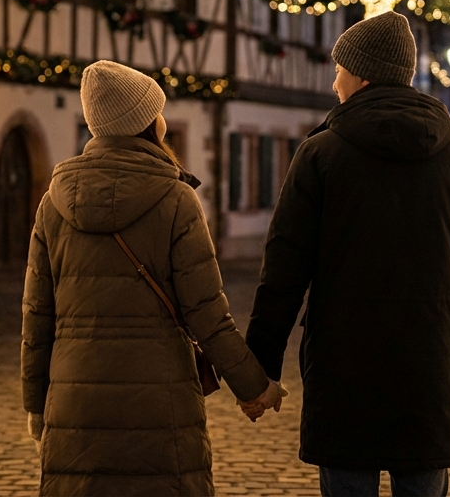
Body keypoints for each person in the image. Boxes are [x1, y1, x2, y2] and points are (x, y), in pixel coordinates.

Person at [243, 11, 450, 497]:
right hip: (433, 367)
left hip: (344, 370)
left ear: (363, 76)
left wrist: (259, 371)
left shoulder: (320, 154)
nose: (334, 82)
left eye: (339, 70)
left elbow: (283, 270)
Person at [21, 60, 285, 496]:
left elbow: (37, 319)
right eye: (157, 110)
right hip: (161, 404)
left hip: (74, 403)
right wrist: (254, 387)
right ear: (147, 124)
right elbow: (207, 314)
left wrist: (36, 407)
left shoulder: (53, 203)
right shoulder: (177, 199)